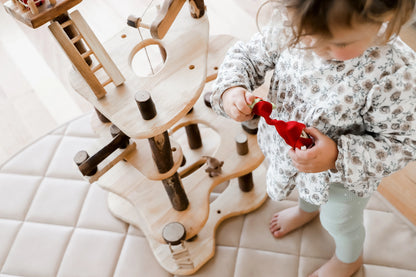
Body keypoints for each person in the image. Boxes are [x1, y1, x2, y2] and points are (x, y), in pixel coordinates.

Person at [210, 0, 416, 276]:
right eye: (306, 37)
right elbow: (248, 55)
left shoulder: (395, 72)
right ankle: (307, 210)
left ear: (386, 20)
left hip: (344, 178)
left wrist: (336, 156)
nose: (319, 50)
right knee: (302, 184)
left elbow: (402, 143)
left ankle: (349, 258)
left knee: (340, 222)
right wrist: (232, 89)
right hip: (293, 155)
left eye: (339, 44)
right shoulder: (290, 23)